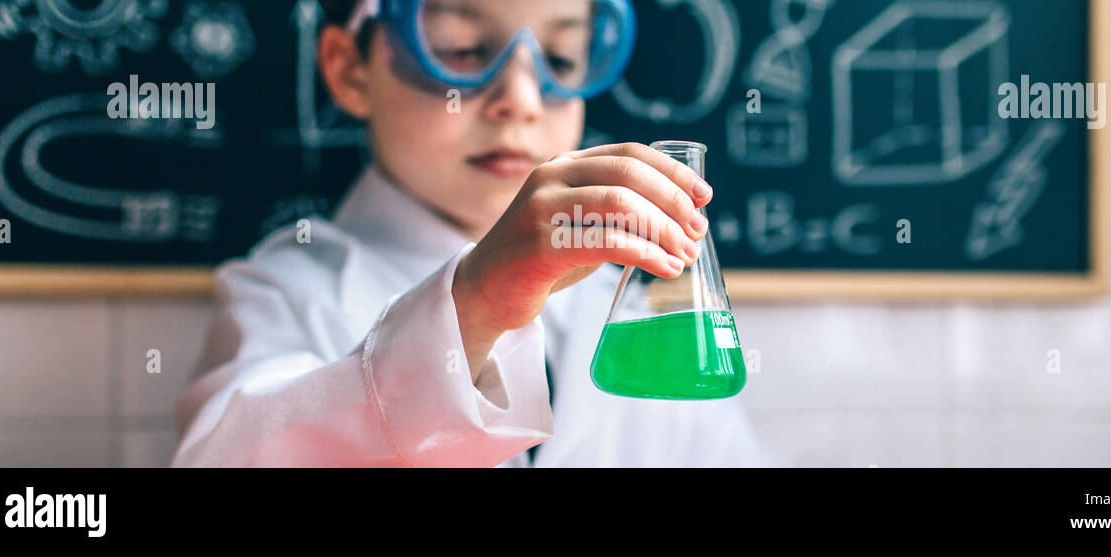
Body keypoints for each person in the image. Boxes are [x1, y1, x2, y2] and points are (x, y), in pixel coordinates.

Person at [171, 0, 775, 467]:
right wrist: (476, 305)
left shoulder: (626, 309)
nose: (520, 99)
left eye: (561, 59)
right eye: (460, 49)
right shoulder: (287, 294)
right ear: (350, 69)